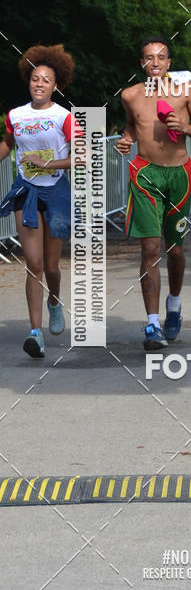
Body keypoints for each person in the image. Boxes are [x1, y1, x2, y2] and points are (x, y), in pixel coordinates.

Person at [116, 37, 191, 350]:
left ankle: (174, 303)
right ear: (142, 63)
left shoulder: (186, 91)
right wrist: (126, 140)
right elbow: (131, 126)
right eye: (149, 57)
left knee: (175, 249)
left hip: (179, 174)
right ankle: (152, 325)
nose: (155, 62)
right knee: (149, 248)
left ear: (169, 63)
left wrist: (185, 128)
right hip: (145, 174)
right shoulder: (130, 95)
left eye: (161, 57)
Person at [0, 44, 75, 357]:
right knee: (34, 264)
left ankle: (54, 301)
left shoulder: (64, 117)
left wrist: (48, 163)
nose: (39, 84)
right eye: (35, 78)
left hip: (56, 191)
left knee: (52, 266)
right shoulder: (16, 116)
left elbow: (81, 157)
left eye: (46, 80)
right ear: (28, 81)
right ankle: (35, 333)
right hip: (26, 191)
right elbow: (7, 145)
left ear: (56, 86)